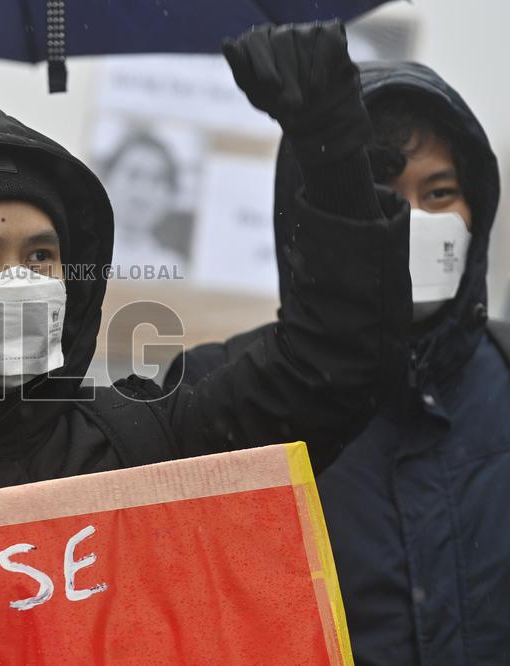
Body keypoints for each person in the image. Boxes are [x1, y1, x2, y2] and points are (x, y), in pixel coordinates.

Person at [0, 22, 411, 528]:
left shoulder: (149, 440)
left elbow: (333, 365)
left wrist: (331, 155)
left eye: (40, 256)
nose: (17, 280)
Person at [163, 62, 510, 664]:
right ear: (313, 218)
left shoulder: (503, 374)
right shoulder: (224, 395)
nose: (415, 221)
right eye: (379, 194)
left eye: (439, 194)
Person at [99, 131, 190, 269]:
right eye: (133, 175)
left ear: (170, 196)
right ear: (106, 180)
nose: (142, 193)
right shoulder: (78, 253)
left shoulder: (173, 268)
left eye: (156, 180)